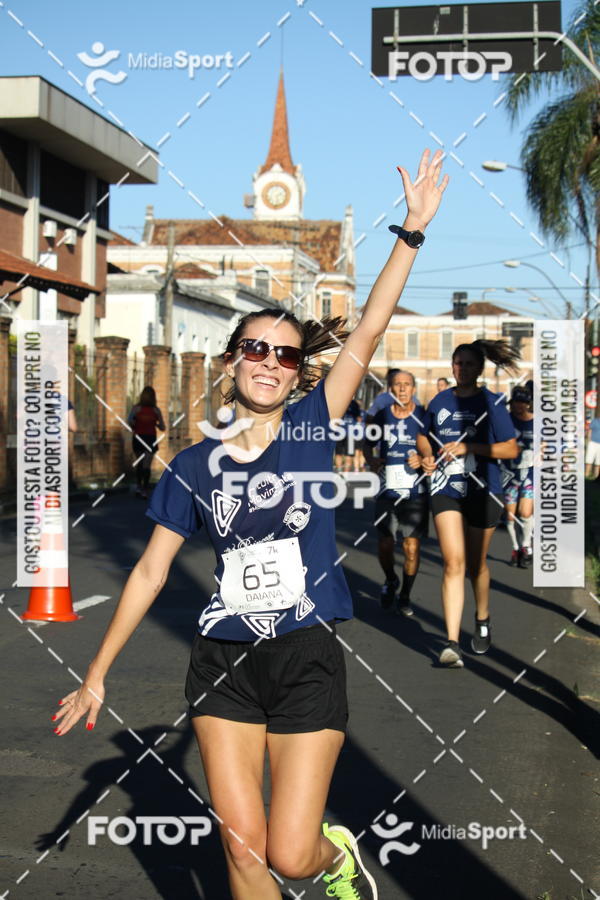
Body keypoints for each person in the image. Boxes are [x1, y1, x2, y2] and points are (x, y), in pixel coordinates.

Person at [51, 148, 447, 900]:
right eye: (256, 348)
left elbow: (365, 331)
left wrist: (413, 232)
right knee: (243, 854)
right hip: (221, 662)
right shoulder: (194, 466)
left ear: (300, 372)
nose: (269, 362)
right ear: (233, 359)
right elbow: (149, 570)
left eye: (286, 354)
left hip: (305, 654)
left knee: (290, 854)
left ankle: (337, 861)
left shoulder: (309, 427)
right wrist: (97, 674)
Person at [420, 340, 519, 668]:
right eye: (457, 363)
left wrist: (471, 448)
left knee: (476, 565)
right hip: (446, 488)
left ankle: (482, 616)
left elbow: (510, 449)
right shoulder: (440, 400)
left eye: (468, 364)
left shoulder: (492, 403)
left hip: (483, 490)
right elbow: (425, 433)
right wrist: (426, 454)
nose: (461, 369)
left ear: (480, 368)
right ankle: (451, 643)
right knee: (453, 563)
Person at [364, 370, 428, 616]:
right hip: (387, 488)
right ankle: (391, 579)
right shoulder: (382, 416)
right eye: (397, 385)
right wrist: (372, 461)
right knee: (385, 544)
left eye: (407, 385)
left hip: (415, 491)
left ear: (414, 389)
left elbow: (435, 450)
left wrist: (423, 458)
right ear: (390, 389)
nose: (402, 389)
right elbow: (367, 445)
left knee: (412, 546)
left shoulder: (423, 416)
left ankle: (406, 594)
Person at [501, 385, 535, 568]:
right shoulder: (505, 421)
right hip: (509, 473)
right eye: (516, 403)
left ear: (528, 404)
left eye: (523, 403)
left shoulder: (538, 422)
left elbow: (549, 443)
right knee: (510, 514)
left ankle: (526, 545)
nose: (519, 407)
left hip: (530, 472)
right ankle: (515, 547)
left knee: (526, 512)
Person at [128, 386, 166, 498]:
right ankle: (145, 489)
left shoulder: (136, 409)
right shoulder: (156, 410)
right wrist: (156, 424)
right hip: (150, 439)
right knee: (147, 464)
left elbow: (130, 421)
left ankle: (139, 487)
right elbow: (163, 427)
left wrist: (136, 425)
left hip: (138, 438)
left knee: (140, 462)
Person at [585, 415, 600, 480]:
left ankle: (596, 477)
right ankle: (586, 475)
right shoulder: (595, 421)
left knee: (598, 463)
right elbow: (590, 431)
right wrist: (589, 441)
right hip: (592, 443)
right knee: (589, 460)